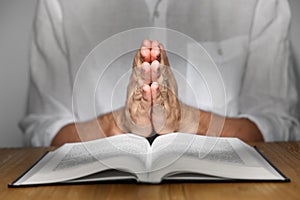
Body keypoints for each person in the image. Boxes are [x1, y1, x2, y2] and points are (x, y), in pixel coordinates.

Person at [20, 0, 300, 146]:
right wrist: (118, 123)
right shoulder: (60, 3)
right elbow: (44, 131)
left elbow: (280, 126)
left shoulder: (259, 3)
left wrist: (188, 120)